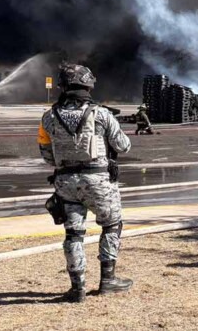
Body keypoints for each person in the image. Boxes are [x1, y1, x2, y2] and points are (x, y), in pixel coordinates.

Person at [37, 64, 133, 302]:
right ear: (88, 85)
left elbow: (47, 155)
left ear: (63, 87)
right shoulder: (101, 114)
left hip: (65, 183)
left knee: (73, 235)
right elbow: (123, 146)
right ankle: (108, 280)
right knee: (111, 226)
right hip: (99, 181)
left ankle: (77, 288)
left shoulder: (49, 117)